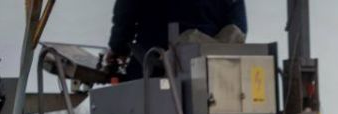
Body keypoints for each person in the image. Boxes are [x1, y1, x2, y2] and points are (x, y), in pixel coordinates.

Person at [105, 0, 247, 78]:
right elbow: (239, 28)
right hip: (212, 73)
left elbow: (124, 18)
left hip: (154, 66)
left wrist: (118, 48)